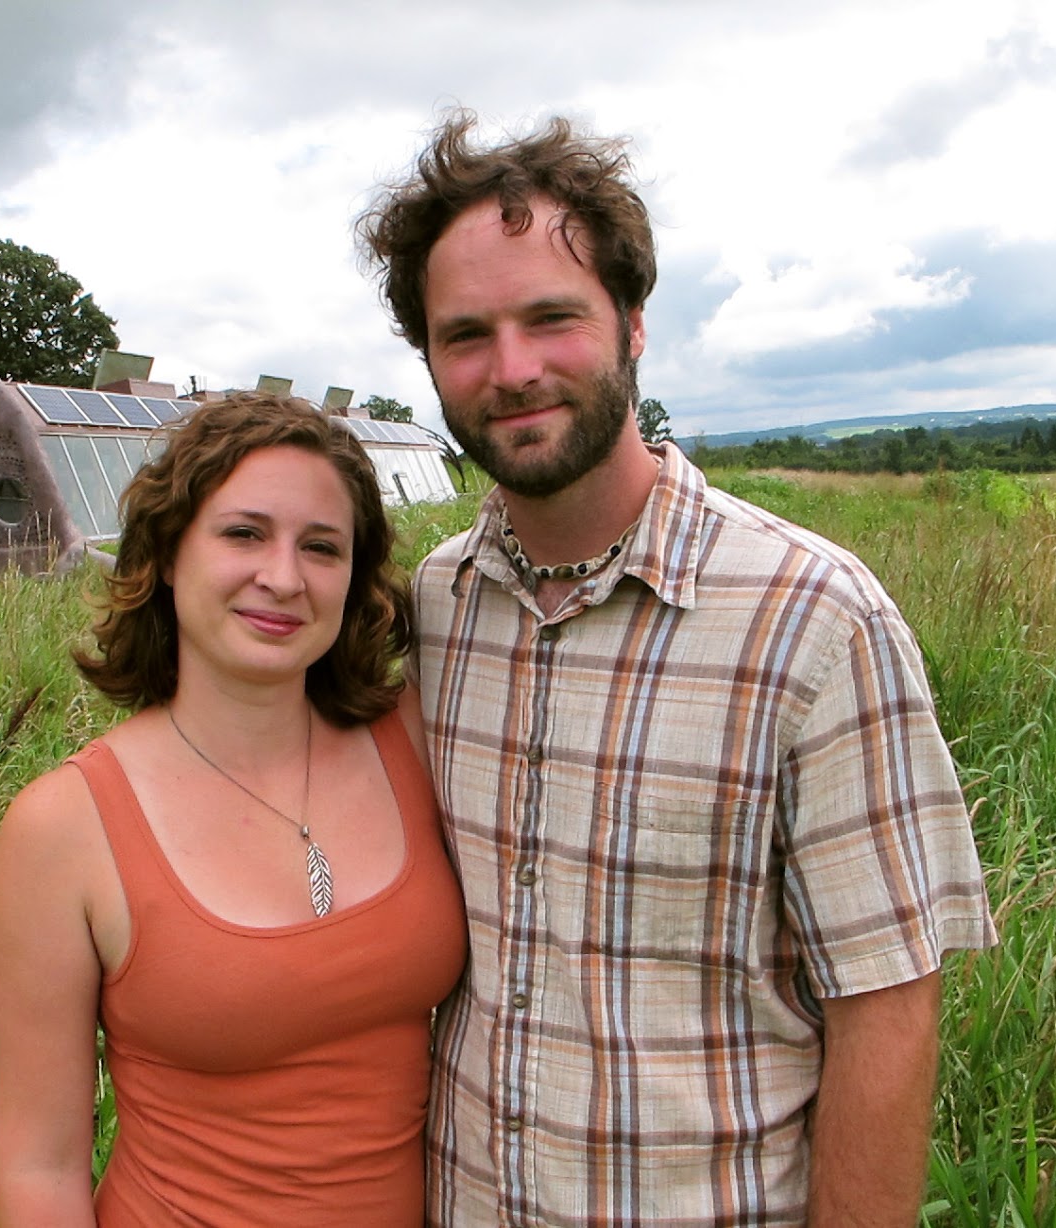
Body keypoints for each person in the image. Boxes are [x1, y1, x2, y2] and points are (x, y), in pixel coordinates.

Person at [358, 112, 996, 1226]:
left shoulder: (813, 619)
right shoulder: (433, 609)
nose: (511, 370)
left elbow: (887, 1010)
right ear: (428, 359)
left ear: (633, 325)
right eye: (466, 335)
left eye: (552, 318)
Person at [0, 391, 468, 1226]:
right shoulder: (64, 829)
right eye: (243, 533)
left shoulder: (417, 743)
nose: (282, 577)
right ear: (168, 555)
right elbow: (39, 1165)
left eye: (321, 546)